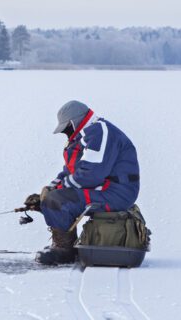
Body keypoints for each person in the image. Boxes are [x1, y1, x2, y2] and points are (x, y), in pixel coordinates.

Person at [25, 100, 141, 265]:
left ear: (73, 122)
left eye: (66, 128)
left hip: (116, 192)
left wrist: (56, 194)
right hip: (106, 189)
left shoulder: (100, 132)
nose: (66, 132)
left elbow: (91, 174)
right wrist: (51, 189)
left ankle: (64, 251)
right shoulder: (87, 134)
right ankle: (64, 245)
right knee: (54, 198)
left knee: (58, 200)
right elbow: (71, 171)